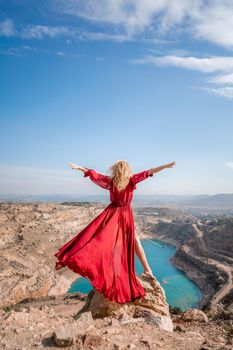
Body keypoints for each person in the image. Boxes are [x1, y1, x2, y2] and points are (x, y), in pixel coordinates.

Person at [54, 160, 176, 304]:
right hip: (123, 214)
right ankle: (146, 270)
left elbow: (94, 174)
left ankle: (119, 272)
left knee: (107, 241)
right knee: (134, 242)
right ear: (127, 170)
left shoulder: (111, 181)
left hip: (112, 214)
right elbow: (150, 171)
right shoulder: (131, 180)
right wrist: (165, 166)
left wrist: (80, 168)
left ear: (115, 170)